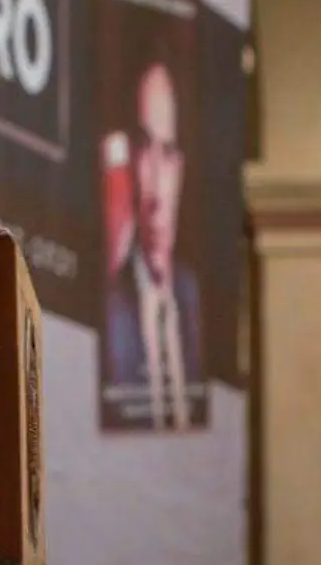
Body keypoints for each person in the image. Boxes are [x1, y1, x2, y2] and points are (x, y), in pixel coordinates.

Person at [102, 60, 204, 431]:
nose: (157, 194)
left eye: (169, 152)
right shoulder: (109, 310)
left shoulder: (195, 299)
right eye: (145, 148)